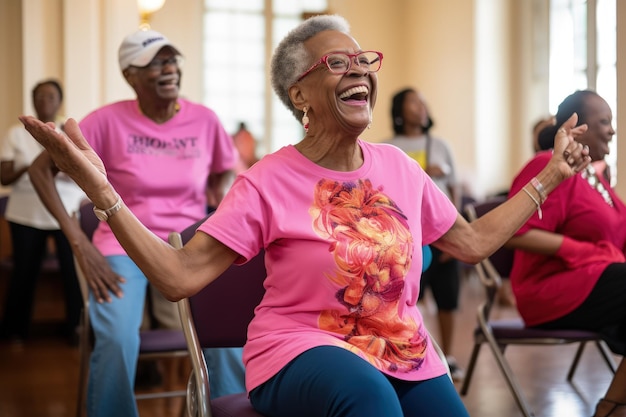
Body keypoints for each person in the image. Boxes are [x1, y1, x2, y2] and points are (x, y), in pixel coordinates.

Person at [21, 14, 593, 417]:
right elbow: (177, 278)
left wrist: (550, 176)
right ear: (301, 94)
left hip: (402, 350)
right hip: (297, 351)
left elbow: (469, 243)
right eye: (338, 62)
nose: (361, 71)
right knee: (368, 399)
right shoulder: (267, 180)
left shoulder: (399, 167)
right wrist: (102, 191)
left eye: (365, 60)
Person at [27, 30, 243, 416]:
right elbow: (40, 170)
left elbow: (224, 172)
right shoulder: (106, 121)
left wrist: (217, 205)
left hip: (188, 248)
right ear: (130, 75)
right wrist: (78, 241)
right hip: (121, 246)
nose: (169, 68)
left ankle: (226, 410)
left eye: (172, 59)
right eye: (155, 62)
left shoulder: (204, 120)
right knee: (115, 339)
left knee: (227, 336)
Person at [507, 89, 626, 417]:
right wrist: (581, 251)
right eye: (605, 122)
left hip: (596, 284)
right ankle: (612, 407)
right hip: (548, 290)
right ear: (580, 127)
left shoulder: (598, 180)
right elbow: (515, 233)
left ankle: (614, 404)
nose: (613, 130)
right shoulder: (548, 165)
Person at [386, 87, 464, 381]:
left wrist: (452, 232)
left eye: (423, 102)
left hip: (439, 233)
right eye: (413, 102)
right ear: (399, 110)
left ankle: (449, 355)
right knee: (406, 300)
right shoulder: (387, 146)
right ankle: (413, 353)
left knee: (448, 297)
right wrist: (422, 169)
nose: (421, 106)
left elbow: (454, 189)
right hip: (404, 235)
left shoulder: (441, 145)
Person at [0, 79, 85, 345]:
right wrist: (34, 167)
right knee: (24, 272)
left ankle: (77, 330)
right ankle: (15, 331)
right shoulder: (16, 133)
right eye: (39, 96)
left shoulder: (69, 134)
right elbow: (5, 177)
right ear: (32, 100)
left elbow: (83, 174)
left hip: (66, 213)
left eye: (51, 96)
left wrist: (53, 167)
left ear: (60, 101)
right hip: (25, 215)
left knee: (73, 274)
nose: (45, 101)